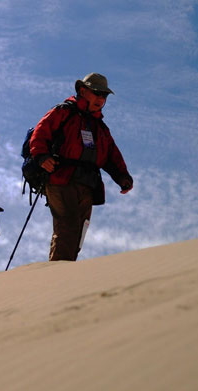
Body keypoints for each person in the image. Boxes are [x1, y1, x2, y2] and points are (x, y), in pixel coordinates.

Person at [30, 72, 133, 261]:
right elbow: (40, 133)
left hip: (88, 184)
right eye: (97, 93)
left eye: (104, 96)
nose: (101, 99)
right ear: (83, 91)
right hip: (61, 178)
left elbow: (112, 156)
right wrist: (41, 156)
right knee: (68, 226)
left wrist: (123, 177)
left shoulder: (101, 128)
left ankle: (66, 272)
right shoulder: (63, 112)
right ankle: (57, 275)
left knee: (79, 232)